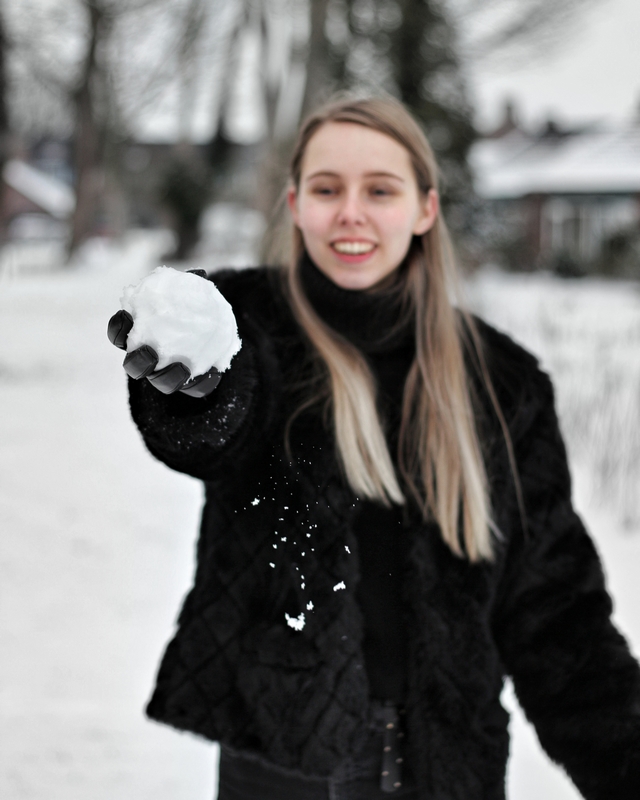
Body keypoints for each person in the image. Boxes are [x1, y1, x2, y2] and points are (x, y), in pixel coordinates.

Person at [108, 96, 640, 800]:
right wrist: (196, 381)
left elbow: (555, 613)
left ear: (424, 207)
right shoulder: (248, 328)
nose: (350, 212)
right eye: (327, 189)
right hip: (283, 766)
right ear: (295, 204)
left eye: (380, 190)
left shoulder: (502, 382)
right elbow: (214, 423)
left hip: (447, 766)